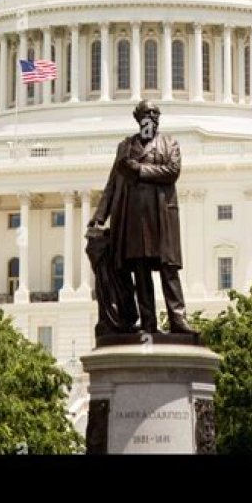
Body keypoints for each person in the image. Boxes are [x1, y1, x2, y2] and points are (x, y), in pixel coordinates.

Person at [88, 100, 195, 334]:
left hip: (161, 216)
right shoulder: (125, 146)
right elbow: (113, 184)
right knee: (141, 271)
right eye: (147, 114)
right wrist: (99, 217)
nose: (151, 118)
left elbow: (172, 172)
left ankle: (178, 318)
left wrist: (138, 170)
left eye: (155, 114)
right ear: (138, 119)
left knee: (169, 270)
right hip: (133, 218)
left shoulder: (169, 144)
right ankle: (149, 324)